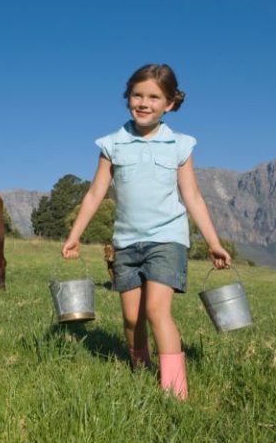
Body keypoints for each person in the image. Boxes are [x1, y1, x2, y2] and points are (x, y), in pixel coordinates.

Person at [61, 64, 232, 401]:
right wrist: (75, 234)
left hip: (168, 240)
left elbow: (193, 196)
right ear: (128, 98)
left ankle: (175, 391)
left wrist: (213, 242)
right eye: (137, 95)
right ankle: (140, 371)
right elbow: (95, 193)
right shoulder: (113, 144)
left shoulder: (179, 144)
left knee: (157, 311)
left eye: (154, 97)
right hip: (126, 242)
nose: (144, 102)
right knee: (130, 319)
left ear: (169, 104)